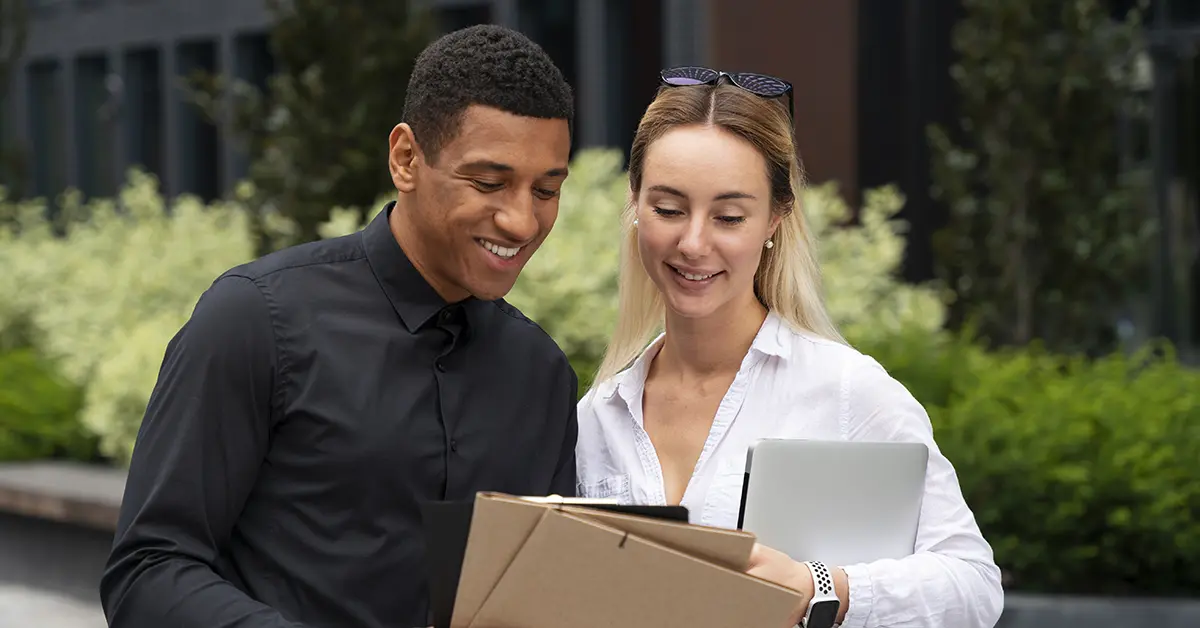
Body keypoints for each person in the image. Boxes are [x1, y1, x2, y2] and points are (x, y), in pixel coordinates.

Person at [100, 24, 578, 628]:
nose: (522, 221)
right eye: (489, 183)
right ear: (406, 159)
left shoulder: (544, 373)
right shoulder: (254, 320)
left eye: (547, 190)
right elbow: (148, 571)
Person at [575, 66, 1004, 628]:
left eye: (729, 216)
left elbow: (973, 586)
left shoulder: (849, 391)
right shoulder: (598, 416)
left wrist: (820, 586)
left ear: (777, 217)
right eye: (669, 209)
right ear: (635, 203)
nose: (693, 242)